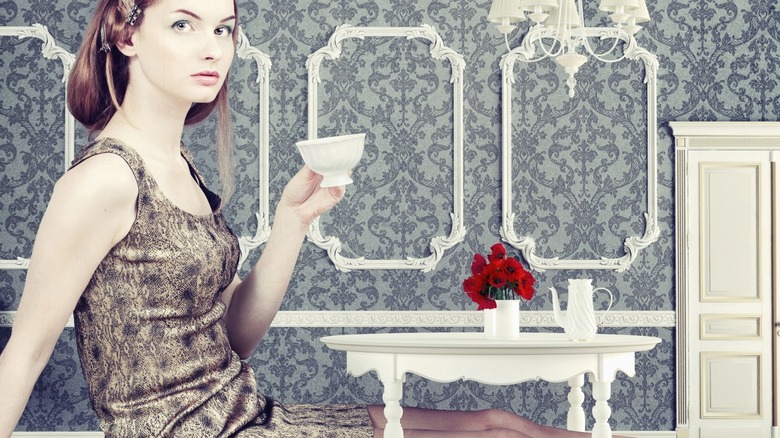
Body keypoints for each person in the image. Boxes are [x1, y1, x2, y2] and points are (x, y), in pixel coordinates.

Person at [0, 0, 627, 437]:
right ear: (126, 32)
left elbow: (230, 342)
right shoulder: (105, 179)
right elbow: (24, 355)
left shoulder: (180, 166)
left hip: (250, 416)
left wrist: (291, 224)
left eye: (225, 29)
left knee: (503, 424)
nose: (211, 48)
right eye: (185, 24)